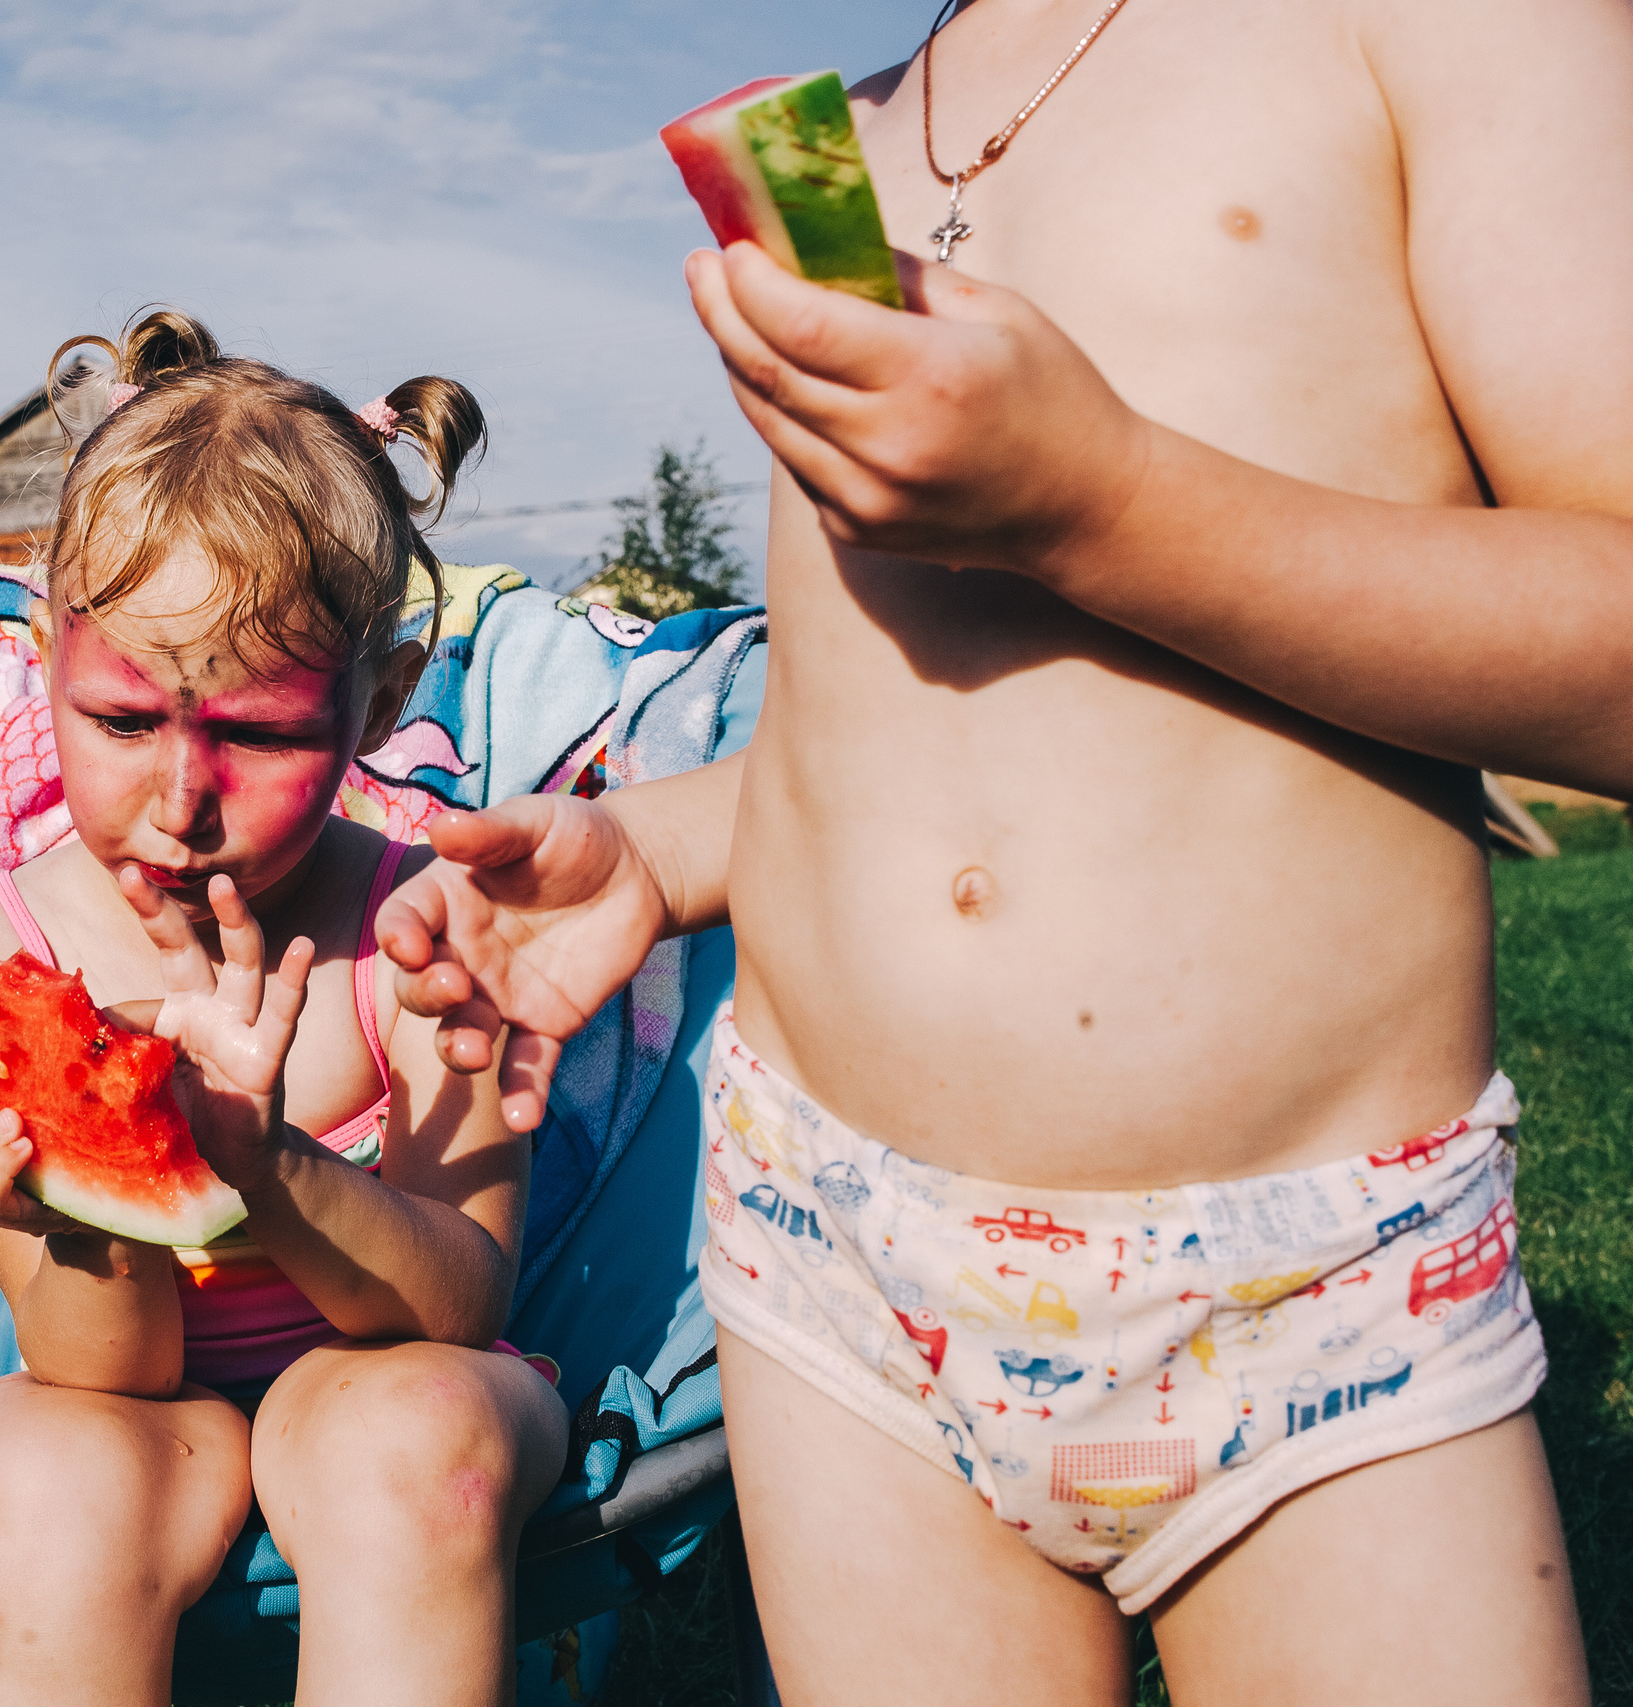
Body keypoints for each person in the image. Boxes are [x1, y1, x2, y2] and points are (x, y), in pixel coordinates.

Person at [378, 1, 1631, 1700]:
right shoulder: (859, 133)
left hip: (1298, 1284)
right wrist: (655, 859)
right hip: (829, 1262)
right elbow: (913, 732)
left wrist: (1100, 504)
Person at [0, 309, 569, 1707]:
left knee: (408, 1439)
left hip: (392, 1375)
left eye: (260, 736)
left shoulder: (419, 934)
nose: (182, 801)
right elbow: (103, 1371)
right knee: (24, 1461)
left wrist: (268, 1164)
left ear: (380, 710)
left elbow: (460, 1304)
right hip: (139, 1412)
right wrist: (60, 1213)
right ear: (44, 654)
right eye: (124, 723)